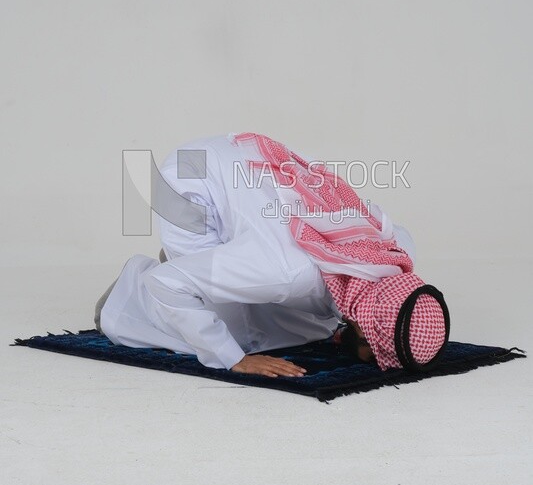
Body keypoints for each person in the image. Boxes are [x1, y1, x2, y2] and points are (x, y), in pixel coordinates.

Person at [95, 132, 449, 378]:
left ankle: (213, 266)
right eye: (370, 352)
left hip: (238, 158)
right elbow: (165, 284)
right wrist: (233, 359)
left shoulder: (396, 252)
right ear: (364, 329)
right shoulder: (287, 270)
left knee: (315, 318)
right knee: (235, 334)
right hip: (189, 180)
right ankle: (126, 300)